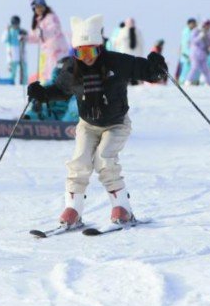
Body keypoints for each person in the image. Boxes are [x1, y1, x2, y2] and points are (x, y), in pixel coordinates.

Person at [26, 14, 168, 227]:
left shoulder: (117, 62)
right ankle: (73, 209)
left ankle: (122, 208)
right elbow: (60, 91)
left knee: (104, 159)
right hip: (88, 125)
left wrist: (157, 66)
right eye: (80, 52)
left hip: (116, 124)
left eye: (91, 50)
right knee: (80, 160)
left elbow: (149, 72)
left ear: (99, 48)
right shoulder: (71, 70)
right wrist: (42, 93)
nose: (86, 57)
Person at [25, 0, 69, 82]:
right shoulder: (38, 21)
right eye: (37, 7)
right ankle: (46, 90)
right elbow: (35, 37)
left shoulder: (51, 17)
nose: (39, 9)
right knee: (45, 74)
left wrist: (42, 32)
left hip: (57, 51)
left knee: (55, 73)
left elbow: (54, 29)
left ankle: (56, 90)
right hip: (46, 52)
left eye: (41, 6)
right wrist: (25, 38)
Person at [24, 56, 79, 122]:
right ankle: (25, 123)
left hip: (70, 121)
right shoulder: (48, 86)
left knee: (76, 106)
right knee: (36, 110)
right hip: (50, 119)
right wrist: (35, 104)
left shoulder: (79, 85)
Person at [186, 20, 210, 86]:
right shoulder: (196, 31)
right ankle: (188, 81)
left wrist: (209, 47)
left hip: (203, 54)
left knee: (205, 69)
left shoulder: (208, 32)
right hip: (195, 53)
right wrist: (200, 36)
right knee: (194, 67)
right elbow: (193, 41)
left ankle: (209, 82)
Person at [1, 15, 28, 84]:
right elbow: (3, 40)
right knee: (13, 71)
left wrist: (24, 35)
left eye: (17, 23)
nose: (15, 25)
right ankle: (11, 84)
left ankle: (24, 84)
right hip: (13, 52)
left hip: (21, 51)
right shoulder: (9, 31)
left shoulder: (21, 31)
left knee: (24, 71)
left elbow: (27, 38)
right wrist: (7, 31)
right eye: (14, 23)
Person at [177, 18, 197, 83]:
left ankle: (190, 81)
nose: (194, 25)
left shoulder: (191, 31)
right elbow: (186, 44)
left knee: (190, 68)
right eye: (193, 24)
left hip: (189, 54)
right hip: (186, 54)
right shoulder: (186, 32)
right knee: (185, 69)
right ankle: (182, 81)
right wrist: (187, 54)